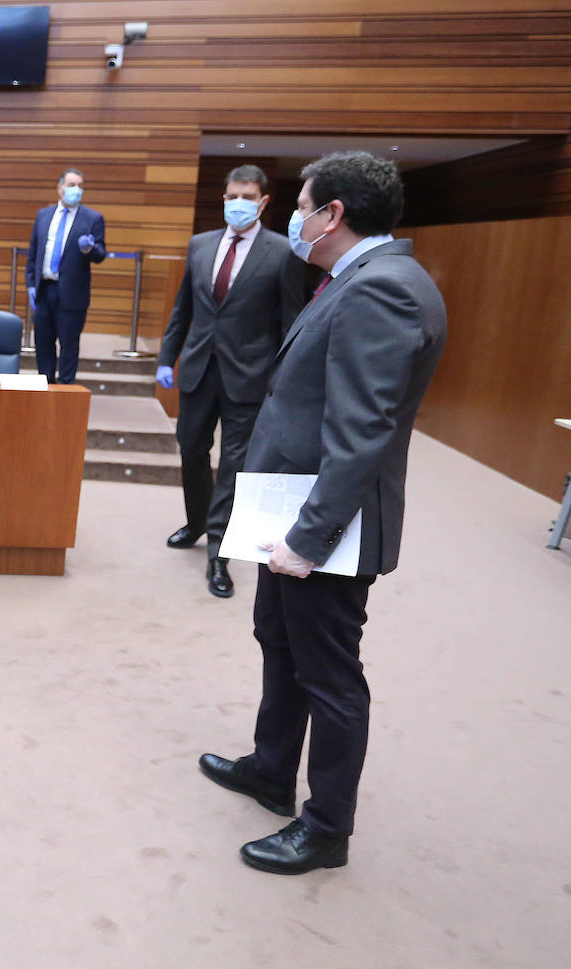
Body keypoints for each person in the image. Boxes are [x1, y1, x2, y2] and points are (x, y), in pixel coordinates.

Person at [198, 151, 447, 874]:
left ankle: (327, 826)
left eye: (300, 207)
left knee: (331, 676)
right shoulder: (358, 278)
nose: (293, 220)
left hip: (325, 529)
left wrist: (307, 540)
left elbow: (361, 431)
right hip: (291, 506)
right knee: (278, 637)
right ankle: (272, 767)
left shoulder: (383, 291)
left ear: (332, 214)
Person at [156, 164, 307, 598]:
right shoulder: (200, 245)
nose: (236, 204)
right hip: (199, 370)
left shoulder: (282, 252)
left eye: (245, 197)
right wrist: (168, 356)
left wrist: (284, 378)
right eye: (230, 196)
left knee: (234, 465)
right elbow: (183, 308)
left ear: (262, 203)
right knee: (191, 449)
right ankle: (197, 521)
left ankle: (219, 553)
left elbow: (291, 322)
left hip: (250, 377)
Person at [25, 169, 108, 384]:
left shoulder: (92, 218)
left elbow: (100, 255)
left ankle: (65, 391)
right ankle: (45, 385)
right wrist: (30, 283)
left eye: (80, 185)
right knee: (43, 343)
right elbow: (34, 251)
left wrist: (90, 249)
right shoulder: (44, 215)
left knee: (69, 345)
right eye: (72, 185)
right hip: (44, 289)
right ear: (60, 188)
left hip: (72, 293)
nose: (77, 190)